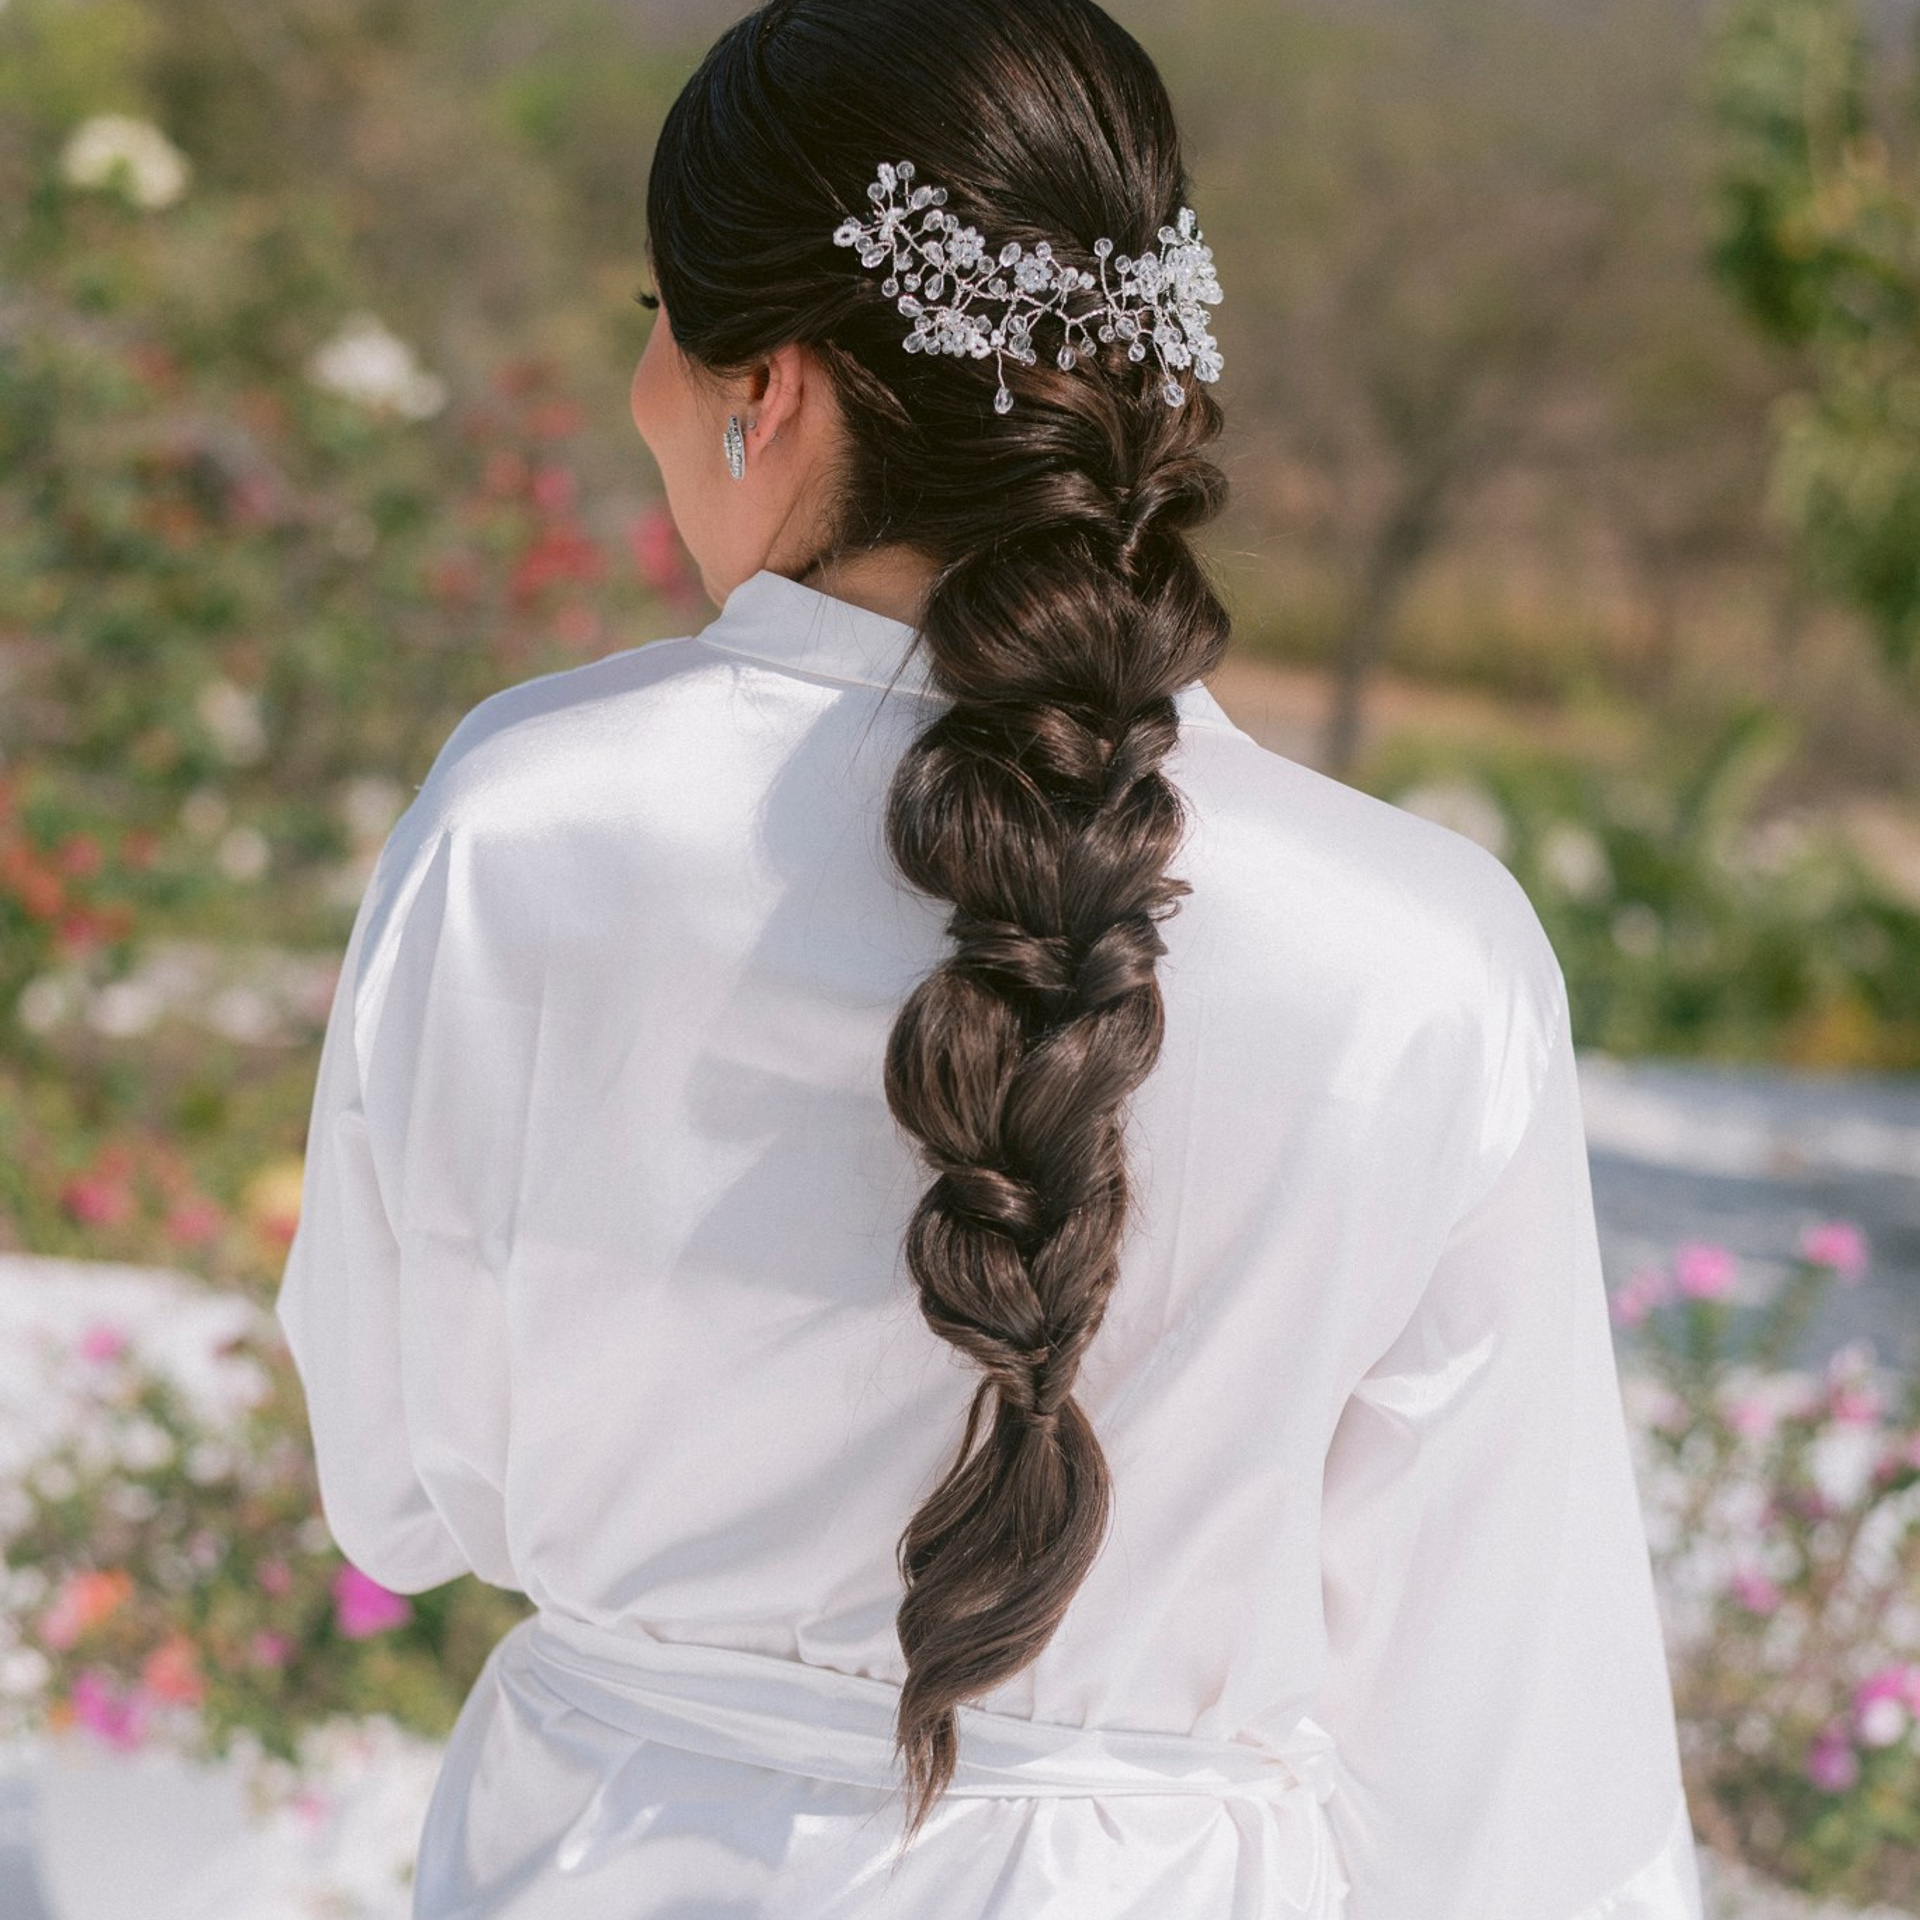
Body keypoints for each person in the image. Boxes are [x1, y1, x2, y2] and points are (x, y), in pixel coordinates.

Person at [273, 1, 1707, 1914]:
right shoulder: (1426, 958)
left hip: (609, 1857)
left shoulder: (524, 823)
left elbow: (399, 1469)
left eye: (655, 316)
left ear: (760, 384)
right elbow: (1514, 1733)